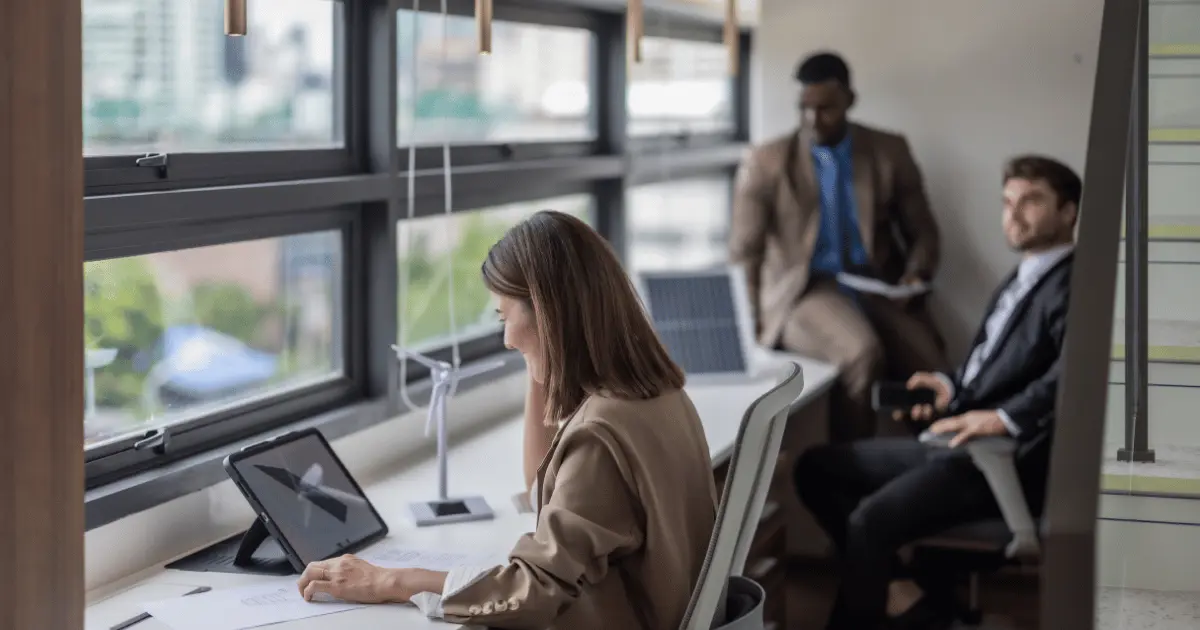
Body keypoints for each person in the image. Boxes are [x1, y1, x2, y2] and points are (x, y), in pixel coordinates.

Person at [295, 211, 720, 630]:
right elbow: (542, 492)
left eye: (504, 317)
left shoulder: (599, 436)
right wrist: (544, 363)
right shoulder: (658, 396)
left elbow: (532, 590)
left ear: (547, 313)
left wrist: (391, 580)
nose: (505, 338)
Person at [793, 155, 1081, 630]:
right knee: (816, 469)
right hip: (958, 442)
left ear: (1069, 212)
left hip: (996, 457)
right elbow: (998, 365)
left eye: (1032, 201)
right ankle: (912, 602)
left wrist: (999, 419)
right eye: (1008, 202)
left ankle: (886, 615)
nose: (1014, 214)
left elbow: (1071, 375)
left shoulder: (1071, 283)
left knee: (869, 524)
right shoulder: (1028, 274)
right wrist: (949, 386)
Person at [730, 51, 946, 442]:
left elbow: (923, 231)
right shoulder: (766, 161)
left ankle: (938, 469)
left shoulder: (888, 151)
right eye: (804, 109)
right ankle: (849, 470)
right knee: (861, 353)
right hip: (804, 291)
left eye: (825, 108)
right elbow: (745, 253)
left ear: (849, 100)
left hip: (877, 284)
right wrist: (748, 326)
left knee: (934, 367)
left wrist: (917, 273)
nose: (813, 120)